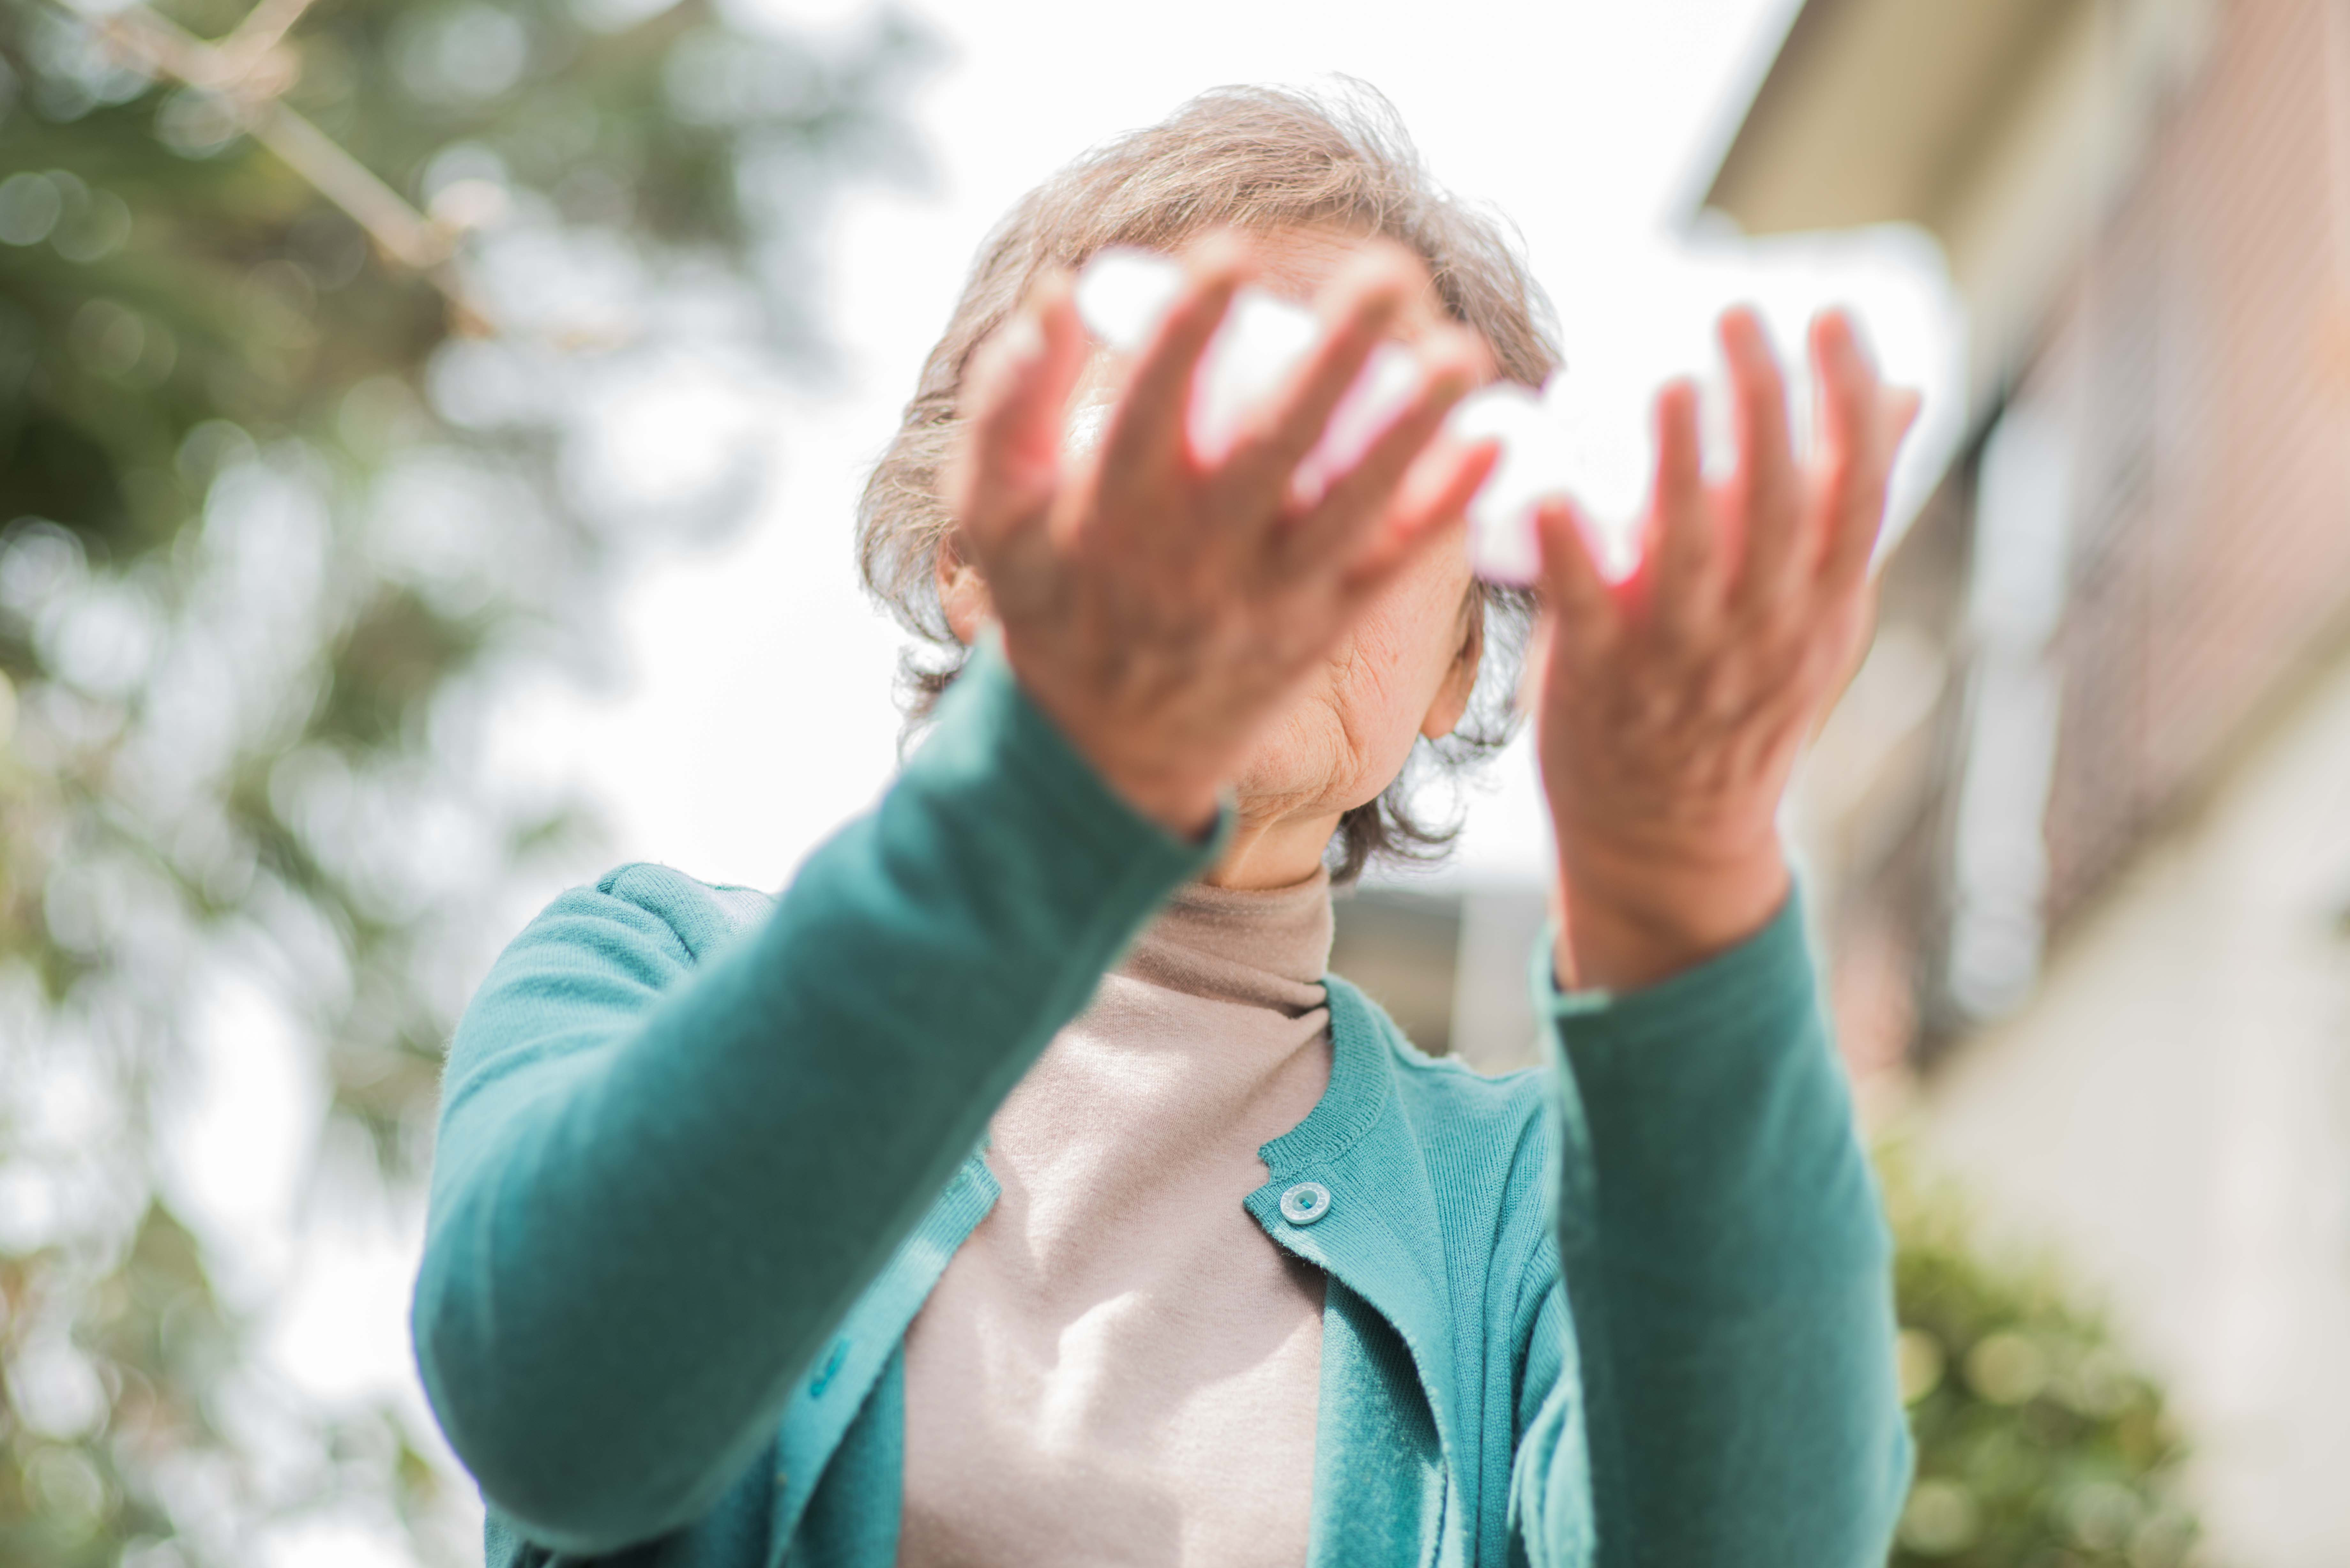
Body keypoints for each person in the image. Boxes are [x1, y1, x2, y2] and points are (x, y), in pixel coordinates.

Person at [411, 85, 1918, 1568]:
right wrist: (1067, 772)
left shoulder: (1522, 1210)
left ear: (1461, 658)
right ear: (974, 552)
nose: (1291, 512)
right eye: (1201, 421)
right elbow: (557, 1412)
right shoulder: (645, 971)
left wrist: (1679, 878)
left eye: (1394, 466)